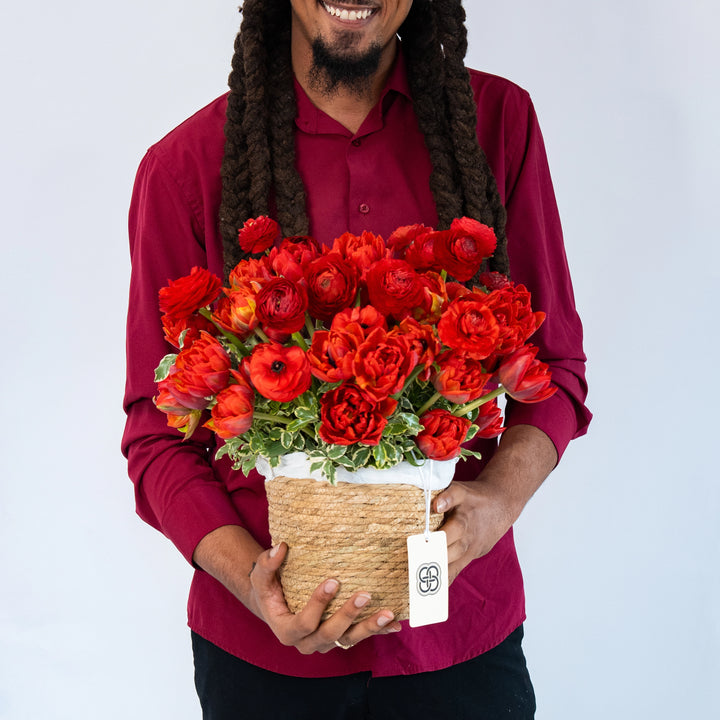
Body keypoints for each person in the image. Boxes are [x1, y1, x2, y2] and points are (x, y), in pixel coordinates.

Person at [123, 1, 591, 717]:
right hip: (261, 660)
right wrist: (252, 581)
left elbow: (555, 371)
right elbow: (157, 435)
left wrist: (498, 503)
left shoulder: (499, 125)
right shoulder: (185, 167)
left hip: (462, 638)